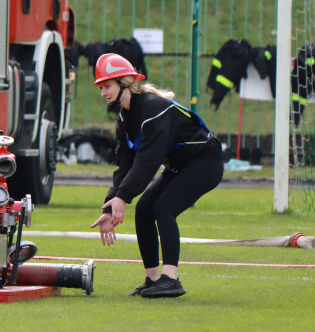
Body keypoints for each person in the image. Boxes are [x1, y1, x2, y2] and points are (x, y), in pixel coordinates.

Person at [89, 53, 224, 299]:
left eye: (107, 86)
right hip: (180, 164)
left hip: (205, 161)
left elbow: (147, 162)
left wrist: (123, 197)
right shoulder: (124, 118)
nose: (103, 93)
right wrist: (112, 203)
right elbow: (125, 166)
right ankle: (152, 280)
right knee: (144, 210)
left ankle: (171, 279)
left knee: (163, 207)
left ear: (124, 83)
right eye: (101, 87)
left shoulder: (152, 110)